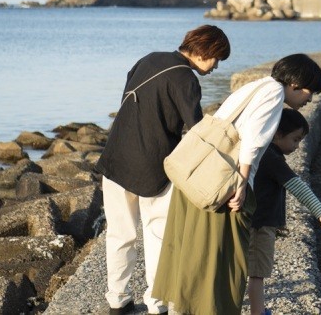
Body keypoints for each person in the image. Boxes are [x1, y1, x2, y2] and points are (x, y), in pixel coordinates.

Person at [152, 53, 321, 315]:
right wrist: (242, 183)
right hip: (222, 183)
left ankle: (183, 307)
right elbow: (253, 142)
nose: (310, 100)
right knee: (220, 260)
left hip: (200, 177)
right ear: (294, 85)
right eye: (309, 93)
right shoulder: (274, 94)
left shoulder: (254, 86)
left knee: (190, 252)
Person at [96, 25, 231, 315]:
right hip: (153, 167)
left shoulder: (149, 59)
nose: (215, 67)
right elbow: (195, 131)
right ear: (205, 50)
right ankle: (156, 304)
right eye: (216, 59)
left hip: (116, 158)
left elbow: (128, 99)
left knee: (120, 234)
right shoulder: (186, 79)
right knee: (157, 236)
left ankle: (117, 301)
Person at [247, 108, 321, 315]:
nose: (297, 146)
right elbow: (297, 186)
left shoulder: (262, 151)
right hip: (260, 226)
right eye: (295, 139)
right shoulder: (272, 158)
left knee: (249, 271)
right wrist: (320, 211)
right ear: (278, 134)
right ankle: (257, 312)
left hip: (252, 221)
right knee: (257, 273)